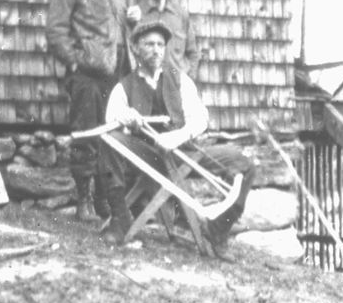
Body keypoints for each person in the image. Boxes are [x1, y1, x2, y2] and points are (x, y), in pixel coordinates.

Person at [98, 20, 254, 260]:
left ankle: (218, 229)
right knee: (110, 139)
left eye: (160, 44)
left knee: (244, 162)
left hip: (185, 155)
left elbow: (200, 118)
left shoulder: (179, 80)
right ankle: (120, 219)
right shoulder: (124, 87)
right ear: (136, 49)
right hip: (146, 157)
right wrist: (125, 118)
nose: (156, 50)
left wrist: (178, 136)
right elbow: (110, 122)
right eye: (149, 44)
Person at [46, 0, 140, 223]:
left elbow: (115, 33)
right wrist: (75, 62)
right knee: (86, 134)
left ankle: (104, 199)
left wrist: (132, 23)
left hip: (115, 76)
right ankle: (83, 201)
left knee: (109, 136)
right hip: (86, 75)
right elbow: (55, 31)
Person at [130, 0, 199, 78]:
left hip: (176, 85)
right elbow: (130, 53)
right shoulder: (136, 15)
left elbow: (192, 53)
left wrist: (188, 80)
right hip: (147, 85)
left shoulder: (181, 15)